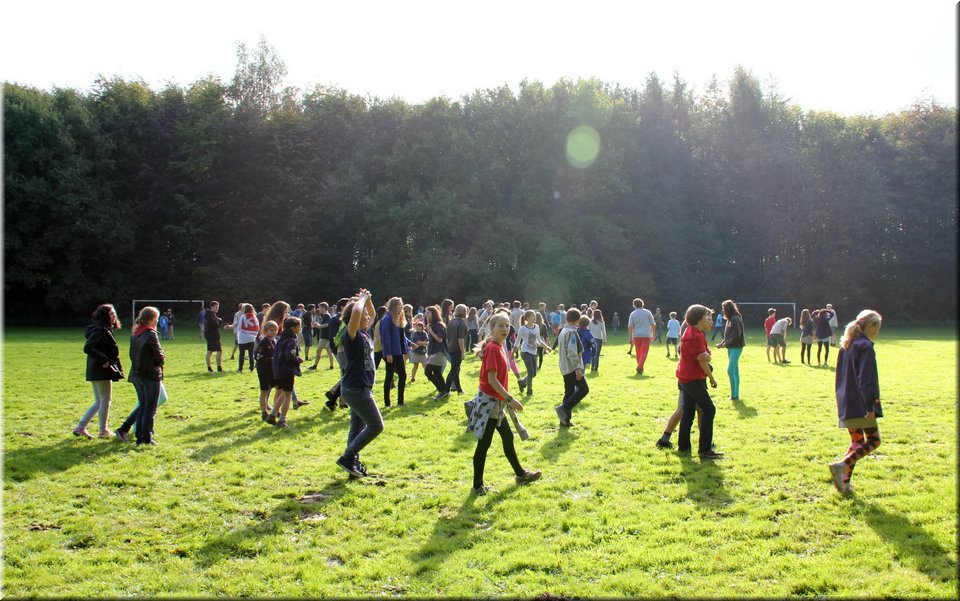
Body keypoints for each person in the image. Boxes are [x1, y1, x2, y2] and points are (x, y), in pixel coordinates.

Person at [466, 312, 541, 495]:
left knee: (507, 437)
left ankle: (521, 474)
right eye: (501, 325)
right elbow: (492, 380)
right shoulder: (493, 348)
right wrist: (510, 399)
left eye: (507, 325)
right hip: (490, 404)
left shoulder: (499, 346)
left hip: (497, 403)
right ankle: (477, 486)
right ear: (492, 328)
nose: (505, 329)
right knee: (484, 445)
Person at [828, 310, 883, 495]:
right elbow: (867, 380)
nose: (878, 331)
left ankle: (843, 484)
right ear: (871, 326)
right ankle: (841, 466)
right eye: (877, 327)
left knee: (857, 441)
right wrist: (870, 407)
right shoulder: (865, 346)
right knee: (874, 440)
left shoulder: (847, 344)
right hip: (861, 405)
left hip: (846, 401)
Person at [335, 289, 384, 479]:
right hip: (356, 388)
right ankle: (347, 457)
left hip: (359, 388)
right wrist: (361, 300)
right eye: (364, 315)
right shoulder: (351, 335)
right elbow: (356, 311)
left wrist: (368, 299)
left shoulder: (363, 333)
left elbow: (372, 314)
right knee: (376, 425)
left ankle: (351, 464)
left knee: (356, 427)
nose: (367, 316)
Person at [676, 304, 723, 459]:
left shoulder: (695, 332)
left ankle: (684, 448)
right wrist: (712, 378)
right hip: (693, 379)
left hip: (687, 377)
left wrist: (707, 356)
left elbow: (706, 355)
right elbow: (702, 360)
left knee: (688, 412)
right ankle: (705, 450)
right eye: (707, 316)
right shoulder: (695, 336)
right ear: (698, 319)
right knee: (709, 409)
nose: (710, 320)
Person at [74, 304, 124, 439]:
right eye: (111, 314)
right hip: (101, 369)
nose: (114, 316)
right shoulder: (99, 330)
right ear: (104, 316)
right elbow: (88, 347)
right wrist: (104, 360)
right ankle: (103, 430)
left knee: (99, 401)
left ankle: (80, 427)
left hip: (96, 369)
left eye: (114, 313)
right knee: (106, 400)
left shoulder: (102, 329)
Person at [126, 306, 166, 446]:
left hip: (137, 374)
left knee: (143, 406)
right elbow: (159, 356)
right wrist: (162, 359)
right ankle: (146, 438)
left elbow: (131, 354)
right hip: (150, 374)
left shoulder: (135, 333)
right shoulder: (150, 334)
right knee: (150, 408)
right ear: (153, 319)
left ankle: (140, 437)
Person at [266, 316, 303, 428]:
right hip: (286, 371)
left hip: (278, 370)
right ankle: (282, 420)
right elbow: (289, 356)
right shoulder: (291, 340)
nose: (300, 328)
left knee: (282, 393)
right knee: (288, 396)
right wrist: (298, 360)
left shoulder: (281, 338)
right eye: (299, 326)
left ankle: (272, 415)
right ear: (293, 328)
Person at [555, 308, 588, 427]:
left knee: (569, 392)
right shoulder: (572, 332)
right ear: (578, 320)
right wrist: (577, 368)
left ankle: (565, 420)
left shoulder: (563, 330)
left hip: (564, 366)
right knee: (584, 389)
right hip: (571, 367)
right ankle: (563, 408)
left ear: (567, 318)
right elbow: (572, 352)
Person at [379, 296, 409, 407]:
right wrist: (388, 354)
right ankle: (387, 403)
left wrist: (410, 343)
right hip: (391, 353)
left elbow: (402, 336)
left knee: (403, 375)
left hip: (398, 352)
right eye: (400, 305)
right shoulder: (386, 319)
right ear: (394, 306)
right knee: (389, 377)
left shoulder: (398, 317)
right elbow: (385, 338)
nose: (402, 307)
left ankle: (400, 401)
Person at [716, 300, 745, 401]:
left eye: (724, 308)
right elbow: (728, 335)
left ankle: (734, 395)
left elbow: (736, 336)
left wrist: (726, 344)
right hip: (731, 347)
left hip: (736, 347)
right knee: (735, 371)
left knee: (730, 370)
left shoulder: (735, 319)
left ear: (728, 308)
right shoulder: (730, 319)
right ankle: (735, 394)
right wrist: (722, 343)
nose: (723, 310)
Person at [517, 310, 551, 396]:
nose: (535, 317)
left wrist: (546, 347)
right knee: (530, 371)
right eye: (533, 316)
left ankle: (522, 382)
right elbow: (517, 342)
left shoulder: (537, 327)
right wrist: (512, 354)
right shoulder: (522, 329)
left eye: (534, 316)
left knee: (534, 373)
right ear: (527, 318)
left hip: (534, 352)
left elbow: (538, 340)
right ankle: (529, 392)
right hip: (525, 352)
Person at [254, 320, 278, 422]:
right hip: (263, 370)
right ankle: (264, 413)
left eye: (275, 330)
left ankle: (276, 409)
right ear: (266, 331)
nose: (274, 332)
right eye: (271, 330)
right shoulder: (263, 342)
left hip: (273, 370)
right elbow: (257, 356)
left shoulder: (275, 341)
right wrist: (271, 359)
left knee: (279, 388)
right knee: (264, 391)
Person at [424, 305, 449, 399]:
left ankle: (441, 391)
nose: (426, 314)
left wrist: (430, 331)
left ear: (433, 314)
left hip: (439, 352)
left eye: (428, 312)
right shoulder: (432, 324)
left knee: (428, 372)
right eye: (426, 312)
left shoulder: (438, 325)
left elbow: (439, 339)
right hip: (434, 352)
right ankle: (445, 391)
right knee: (437, 373)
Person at [445, 304, 469, 395]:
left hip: (450, 348)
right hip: (457, 349)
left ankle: (459, 390)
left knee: (456, 370)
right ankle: (445, 390)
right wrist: (462, 352)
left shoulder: (451, 321)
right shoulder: (462, 323)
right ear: (465, 312)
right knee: (454, 370)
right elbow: (461, 338)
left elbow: (447, 337)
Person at [627, 298, 655, 374]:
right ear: (642, 304)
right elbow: (653, 324)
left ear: (634, 305)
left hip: (636, 335)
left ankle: (640, 369)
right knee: (644, 352)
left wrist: (630, 338)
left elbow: (630, 326)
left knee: (638, 352)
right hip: (646, 335)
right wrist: (653, 334)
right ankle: (640, 367)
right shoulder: (648, 312)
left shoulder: (633, 314)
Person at [309, 302, 335, 370]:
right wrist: (318, 325)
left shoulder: (326, 315)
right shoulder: (325, 315)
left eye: (320, 307)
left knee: (318, 351)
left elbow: (327, 324)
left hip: (324, 337)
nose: (318, 309)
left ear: (324, 308)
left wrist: (319, 326)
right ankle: (331, 366)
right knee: (329, 352)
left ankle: (315, 366)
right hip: (327, 336)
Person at [236, 303, 260, 372]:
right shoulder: (254, 317)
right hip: (251, 338)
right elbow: (257, 326)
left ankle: (240, 369)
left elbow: (240, 327)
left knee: (242, 354)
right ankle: (251, 368)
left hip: (243, 338)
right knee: (251, 354)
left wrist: (238, 335)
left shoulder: (243, 316)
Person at [203, 301, 224, 372]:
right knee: (219, 351)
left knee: (210, 351)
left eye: (218, 307)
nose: (217, 308)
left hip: (209, 335)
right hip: (213, 336)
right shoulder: (211, 315)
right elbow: (215, 326)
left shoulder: (208, 315)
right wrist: (220, 321)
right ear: (211, 307)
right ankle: (218, 368)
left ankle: (210, 368)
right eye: (216, 307)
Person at [407, 318, 428, 383]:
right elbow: (417, 342)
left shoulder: (424, 333)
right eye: (417, 326)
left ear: (422, 327)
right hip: (416, 352)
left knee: (425, 366)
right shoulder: (414, 334)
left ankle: (429, 377)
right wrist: (424, 343)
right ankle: (413, 378)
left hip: (423, 352)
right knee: (415, 366)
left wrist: (423, 343)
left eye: (420, 327)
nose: (418, 328)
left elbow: (426, 340)